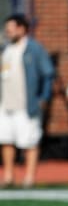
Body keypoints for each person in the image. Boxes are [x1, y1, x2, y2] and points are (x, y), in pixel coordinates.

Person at [0, 14, 55, 188]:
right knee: (6, 140)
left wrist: (43, 98)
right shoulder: (5, 49)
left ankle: (29, 178)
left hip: (27, 105)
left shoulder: (34, 49)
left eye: (11, 28)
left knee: (29, 141)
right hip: (6, 104)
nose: (8, 32)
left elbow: (48, 74)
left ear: (22, 29)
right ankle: (8, 176)